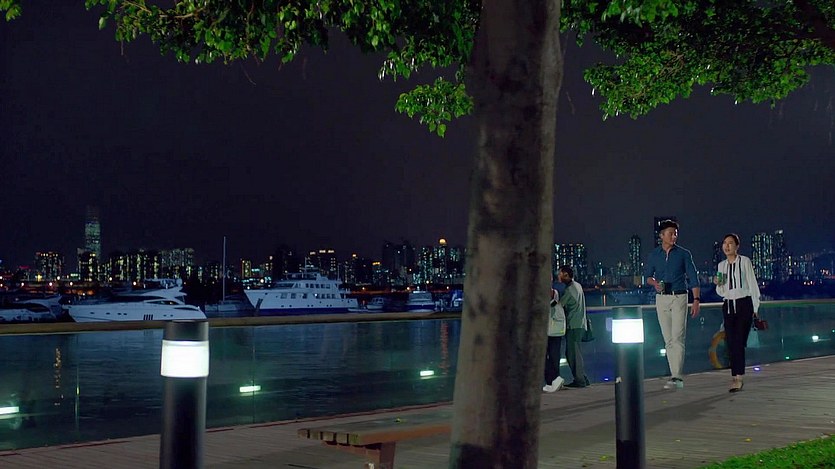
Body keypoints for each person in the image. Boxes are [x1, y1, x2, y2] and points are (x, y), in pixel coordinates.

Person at [644, 219, 701, 389]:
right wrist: (655, 284)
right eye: (670, 233)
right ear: (661, 235)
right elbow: (647, 277)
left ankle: (677, 376)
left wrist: (696, 300)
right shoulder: (654, 255)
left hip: (679, 297)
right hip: (661, 298)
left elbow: (693, 277)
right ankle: (673, 375)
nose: (674, 236)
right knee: (668, 339)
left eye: (675, 233)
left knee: (677, 337)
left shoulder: (684, 254)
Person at [714, 233, 761, 392]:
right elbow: (721, 291)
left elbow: (752, 284)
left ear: (737, 246)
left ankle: (738, 377)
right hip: (728, 305)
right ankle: (735, 375)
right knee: (731, 342)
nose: (727, 246)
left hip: (743, 304)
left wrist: (755, 308)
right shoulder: (721, 266)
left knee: (739, 341)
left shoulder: (744, 261)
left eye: (730, 243)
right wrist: (718, 283)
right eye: (724, 243)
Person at [557, 265, 590, 388]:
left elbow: (559, 305)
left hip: (573, 325)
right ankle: (583, 378)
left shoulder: (569, 290)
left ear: (566, 275)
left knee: (572, 354)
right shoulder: (578, 286)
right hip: (580, 324)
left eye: (560, 274)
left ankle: (580, 380)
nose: (558, 276)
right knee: (576, 353)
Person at [543, 280, 566, 393]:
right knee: (553, 356)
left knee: (549, 357)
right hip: (555, 330)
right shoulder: (558, 293)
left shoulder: (555, 295)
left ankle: (554, 379)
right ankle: (551, 382)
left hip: (551, 330)